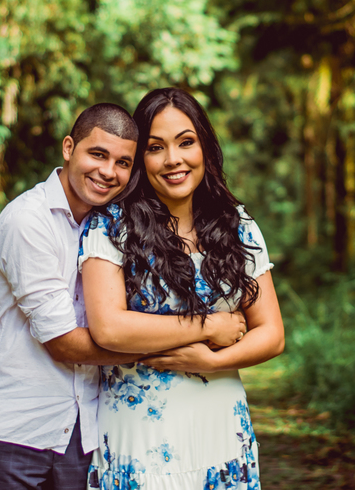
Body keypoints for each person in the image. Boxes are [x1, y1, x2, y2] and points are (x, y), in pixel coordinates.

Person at [0, 102, 248, 490]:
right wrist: (204, 329)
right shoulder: (27, 220)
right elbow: (64, 342)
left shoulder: (111, 226)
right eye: (97, 154)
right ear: (69, 148)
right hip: (17, 433)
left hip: (84, 437)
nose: (107, 171)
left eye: (122, 162)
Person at [79, 88, 286, 490]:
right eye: (156, 147)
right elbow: (109, 329)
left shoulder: (237, 225)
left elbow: (272, 333)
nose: (173, 159)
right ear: (141, 159)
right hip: (139, 445)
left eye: (186, 142)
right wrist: (210, 327)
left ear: (204, 147)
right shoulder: (111, 226)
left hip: (223, 436)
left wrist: (209, 363)